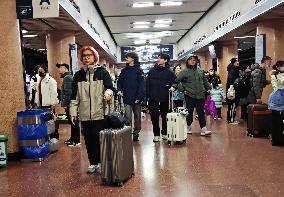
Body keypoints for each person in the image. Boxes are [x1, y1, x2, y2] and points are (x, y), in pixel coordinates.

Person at [69, 46, 113, 174]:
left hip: (99, 112)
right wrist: (73, 112)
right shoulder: (78, 75)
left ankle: (102, 160)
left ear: (95, 57)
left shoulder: (102, 72)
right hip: (84, 114)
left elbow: (110, 87)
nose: (86, 57)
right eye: (84, 56)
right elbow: (74, 96)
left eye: (89, 55)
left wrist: (108, 93)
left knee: (97, 136)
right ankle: (93, 162)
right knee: (88, 139)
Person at [175, 55, 212, 136]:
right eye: (190, 59)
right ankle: (188, 126)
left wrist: (209, 88)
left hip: (200, 95)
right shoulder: (184, 72)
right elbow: (177, 81)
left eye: (194, 60)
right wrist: (183, 90)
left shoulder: (200, 71)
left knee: (201, 112)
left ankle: (203, 128)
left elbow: (205, 81)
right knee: (189, 111)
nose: (192, 61)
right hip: (189, 95)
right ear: (187, 61)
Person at [146, 53, 176, 142]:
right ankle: (156, 134)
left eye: (160, 58)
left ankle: (164, 133)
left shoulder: (170, 72)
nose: (158, 59)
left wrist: (173, 86)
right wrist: (147, 97)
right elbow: (147, 84)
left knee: (165, 116)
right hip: (153, 97)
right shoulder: (151, 71)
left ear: (165, 60)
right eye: (158, 58)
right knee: (154, 116)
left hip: (165, 97)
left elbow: (175, 81)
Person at [117, 52, 145, 141]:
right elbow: (119, 81)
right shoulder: (124, 70)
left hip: (137, 98)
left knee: (137, 117)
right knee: (127, 118)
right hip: (127, 98)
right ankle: (128, 133)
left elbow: (142, 85)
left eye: (127, 57)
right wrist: (119, 90)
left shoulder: (139, 70)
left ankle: (136, 134)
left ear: (133, 58)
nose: (126, 59)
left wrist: (139, 97)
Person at [56, 63, 80, 147]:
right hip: (70, 103)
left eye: (60, 68)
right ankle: (73, 138)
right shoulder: (68, 77)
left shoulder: (67, 78)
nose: (59, 70)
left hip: (70, 104)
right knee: (72, 121)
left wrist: (66, 104)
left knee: (73, 121)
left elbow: (68, 93)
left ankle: (76, 140)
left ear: (65, 68)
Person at [226, 58, 240, 124]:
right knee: (232, 105)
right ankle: (231, 120)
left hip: (232, 90)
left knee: (231, 105)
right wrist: (237, 82)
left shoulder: (232, 69)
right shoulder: (232, 70)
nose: (238, 62)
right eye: (236, 61)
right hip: (233, 90)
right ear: (233, 62)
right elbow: (231, 80)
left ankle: (231, 119)